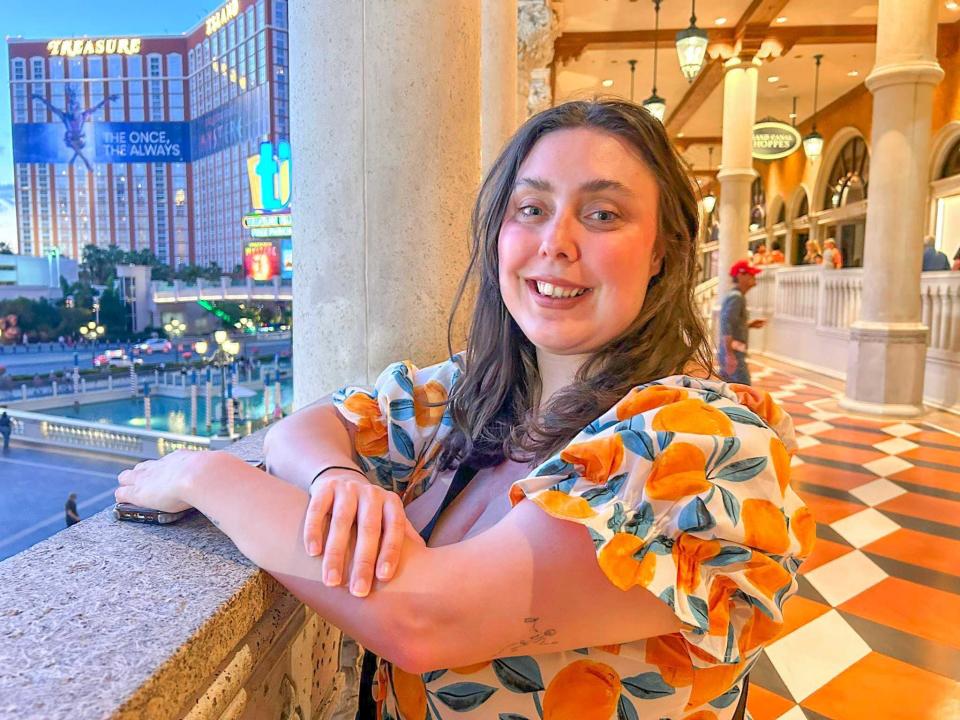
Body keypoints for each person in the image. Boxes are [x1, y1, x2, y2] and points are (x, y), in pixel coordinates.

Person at [115, 100, 813, 720]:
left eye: (603, 214)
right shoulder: (471, 394)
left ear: (663, 250)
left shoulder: (703, 444)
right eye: (531, 209)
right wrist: (338, 479)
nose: (555, 243)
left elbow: (423, 618)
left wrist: (205, 476)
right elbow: (309, 425)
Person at [718, 260, 767, 385]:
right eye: (751, 274)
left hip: (733, 352)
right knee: (744, 390)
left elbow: (731, 323)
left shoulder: (738, 296)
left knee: (728, 389)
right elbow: (726, 324)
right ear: (741, 276)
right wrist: (729, 355)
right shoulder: (736, 297)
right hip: (733, 352)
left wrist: (748, 324)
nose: (754, 278)